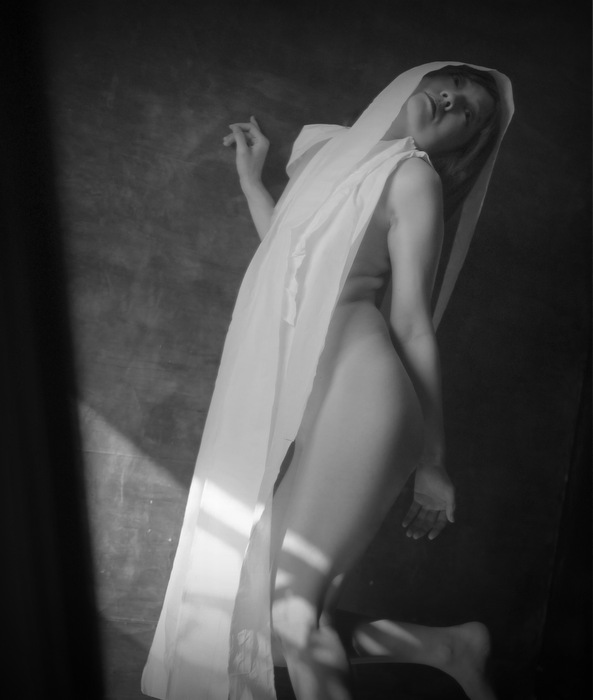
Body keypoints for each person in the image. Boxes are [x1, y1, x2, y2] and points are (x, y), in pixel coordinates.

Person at [141, 62, 514, 700]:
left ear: (462, 144)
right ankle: (446, 648)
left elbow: (413, 324)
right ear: (415, 81)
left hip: (364, 389)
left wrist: (433, 459)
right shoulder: (329, 155)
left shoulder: (413, 177)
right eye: (449, 85)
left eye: (467, 113)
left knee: (292, 614)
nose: (449, 102)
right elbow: (287, 256)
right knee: (260, 618)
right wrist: (251, 180)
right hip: (317, 403)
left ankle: (449, 649)